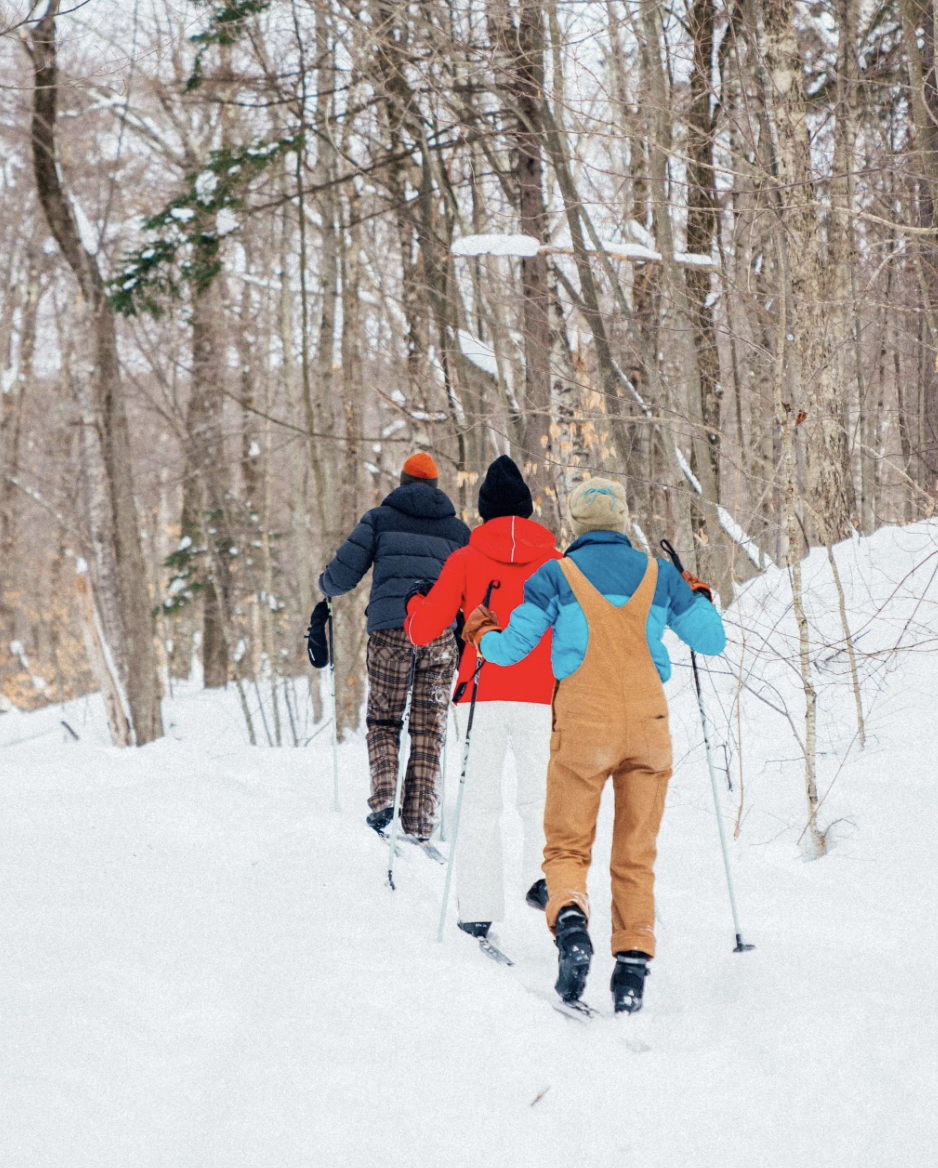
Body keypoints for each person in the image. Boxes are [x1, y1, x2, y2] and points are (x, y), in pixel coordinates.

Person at [464, 477, 726, 1013]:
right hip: (648, 727)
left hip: (584, 724)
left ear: (575, 526)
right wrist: (698, 595)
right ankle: (630, 970)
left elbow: (510, 651)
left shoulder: (554, 575)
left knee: (566, 846)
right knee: (636, 854)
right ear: (624, 520)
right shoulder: (660, 576)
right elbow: (712, 641)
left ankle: (572, 924)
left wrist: (481, 632)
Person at [404, 455, 560, 940]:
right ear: (528, 509)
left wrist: (414, 602)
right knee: (542, 798)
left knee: (480, 804)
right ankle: (543, 882)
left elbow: (425, 629)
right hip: (541, 695)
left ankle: (478, 907)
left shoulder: (466, 559)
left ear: (484, 509)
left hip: (481, 694)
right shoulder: (557, 562)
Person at [319, 453, 470, 841]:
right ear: (437, 489)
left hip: (389, 631)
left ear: (401, 482)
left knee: (384, 719)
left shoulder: (380, 519)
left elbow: (342, 576)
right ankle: (419, 820)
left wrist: (326, 586)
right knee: (428, 727)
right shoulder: (458, 532)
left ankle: (384, 797)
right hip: (438, 636)